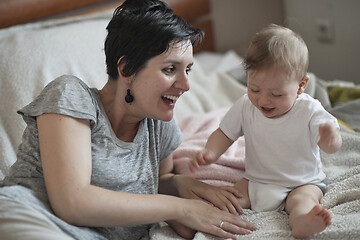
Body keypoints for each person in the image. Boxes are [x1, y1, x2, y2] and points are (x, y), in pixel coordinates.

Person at [0, 0, 257, 239]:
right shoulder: (71, 95)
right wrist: (182, 208)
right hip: (31, 216)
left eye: (188, 69)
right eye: (170, 69)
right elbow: (73, 201)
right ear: (126, 69)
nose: (185, 85)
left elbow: (156, 183)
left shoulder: (160, 123)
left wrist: (183, 186)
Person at [190, 24, 342, 239]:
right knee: (230, 199)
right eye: (254, 89)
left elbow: (332, 145)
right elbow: (224, 133)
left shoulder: (309, 109)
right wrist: (210, 153)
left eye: (276, 94)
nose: (263, 100)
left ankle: (302, 222)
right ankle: (203, 217)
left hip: (302, 181)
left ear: (301, 86)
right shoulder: (245, 105)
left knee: (302, 202)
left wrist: (329, 138)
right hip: (256, 180)